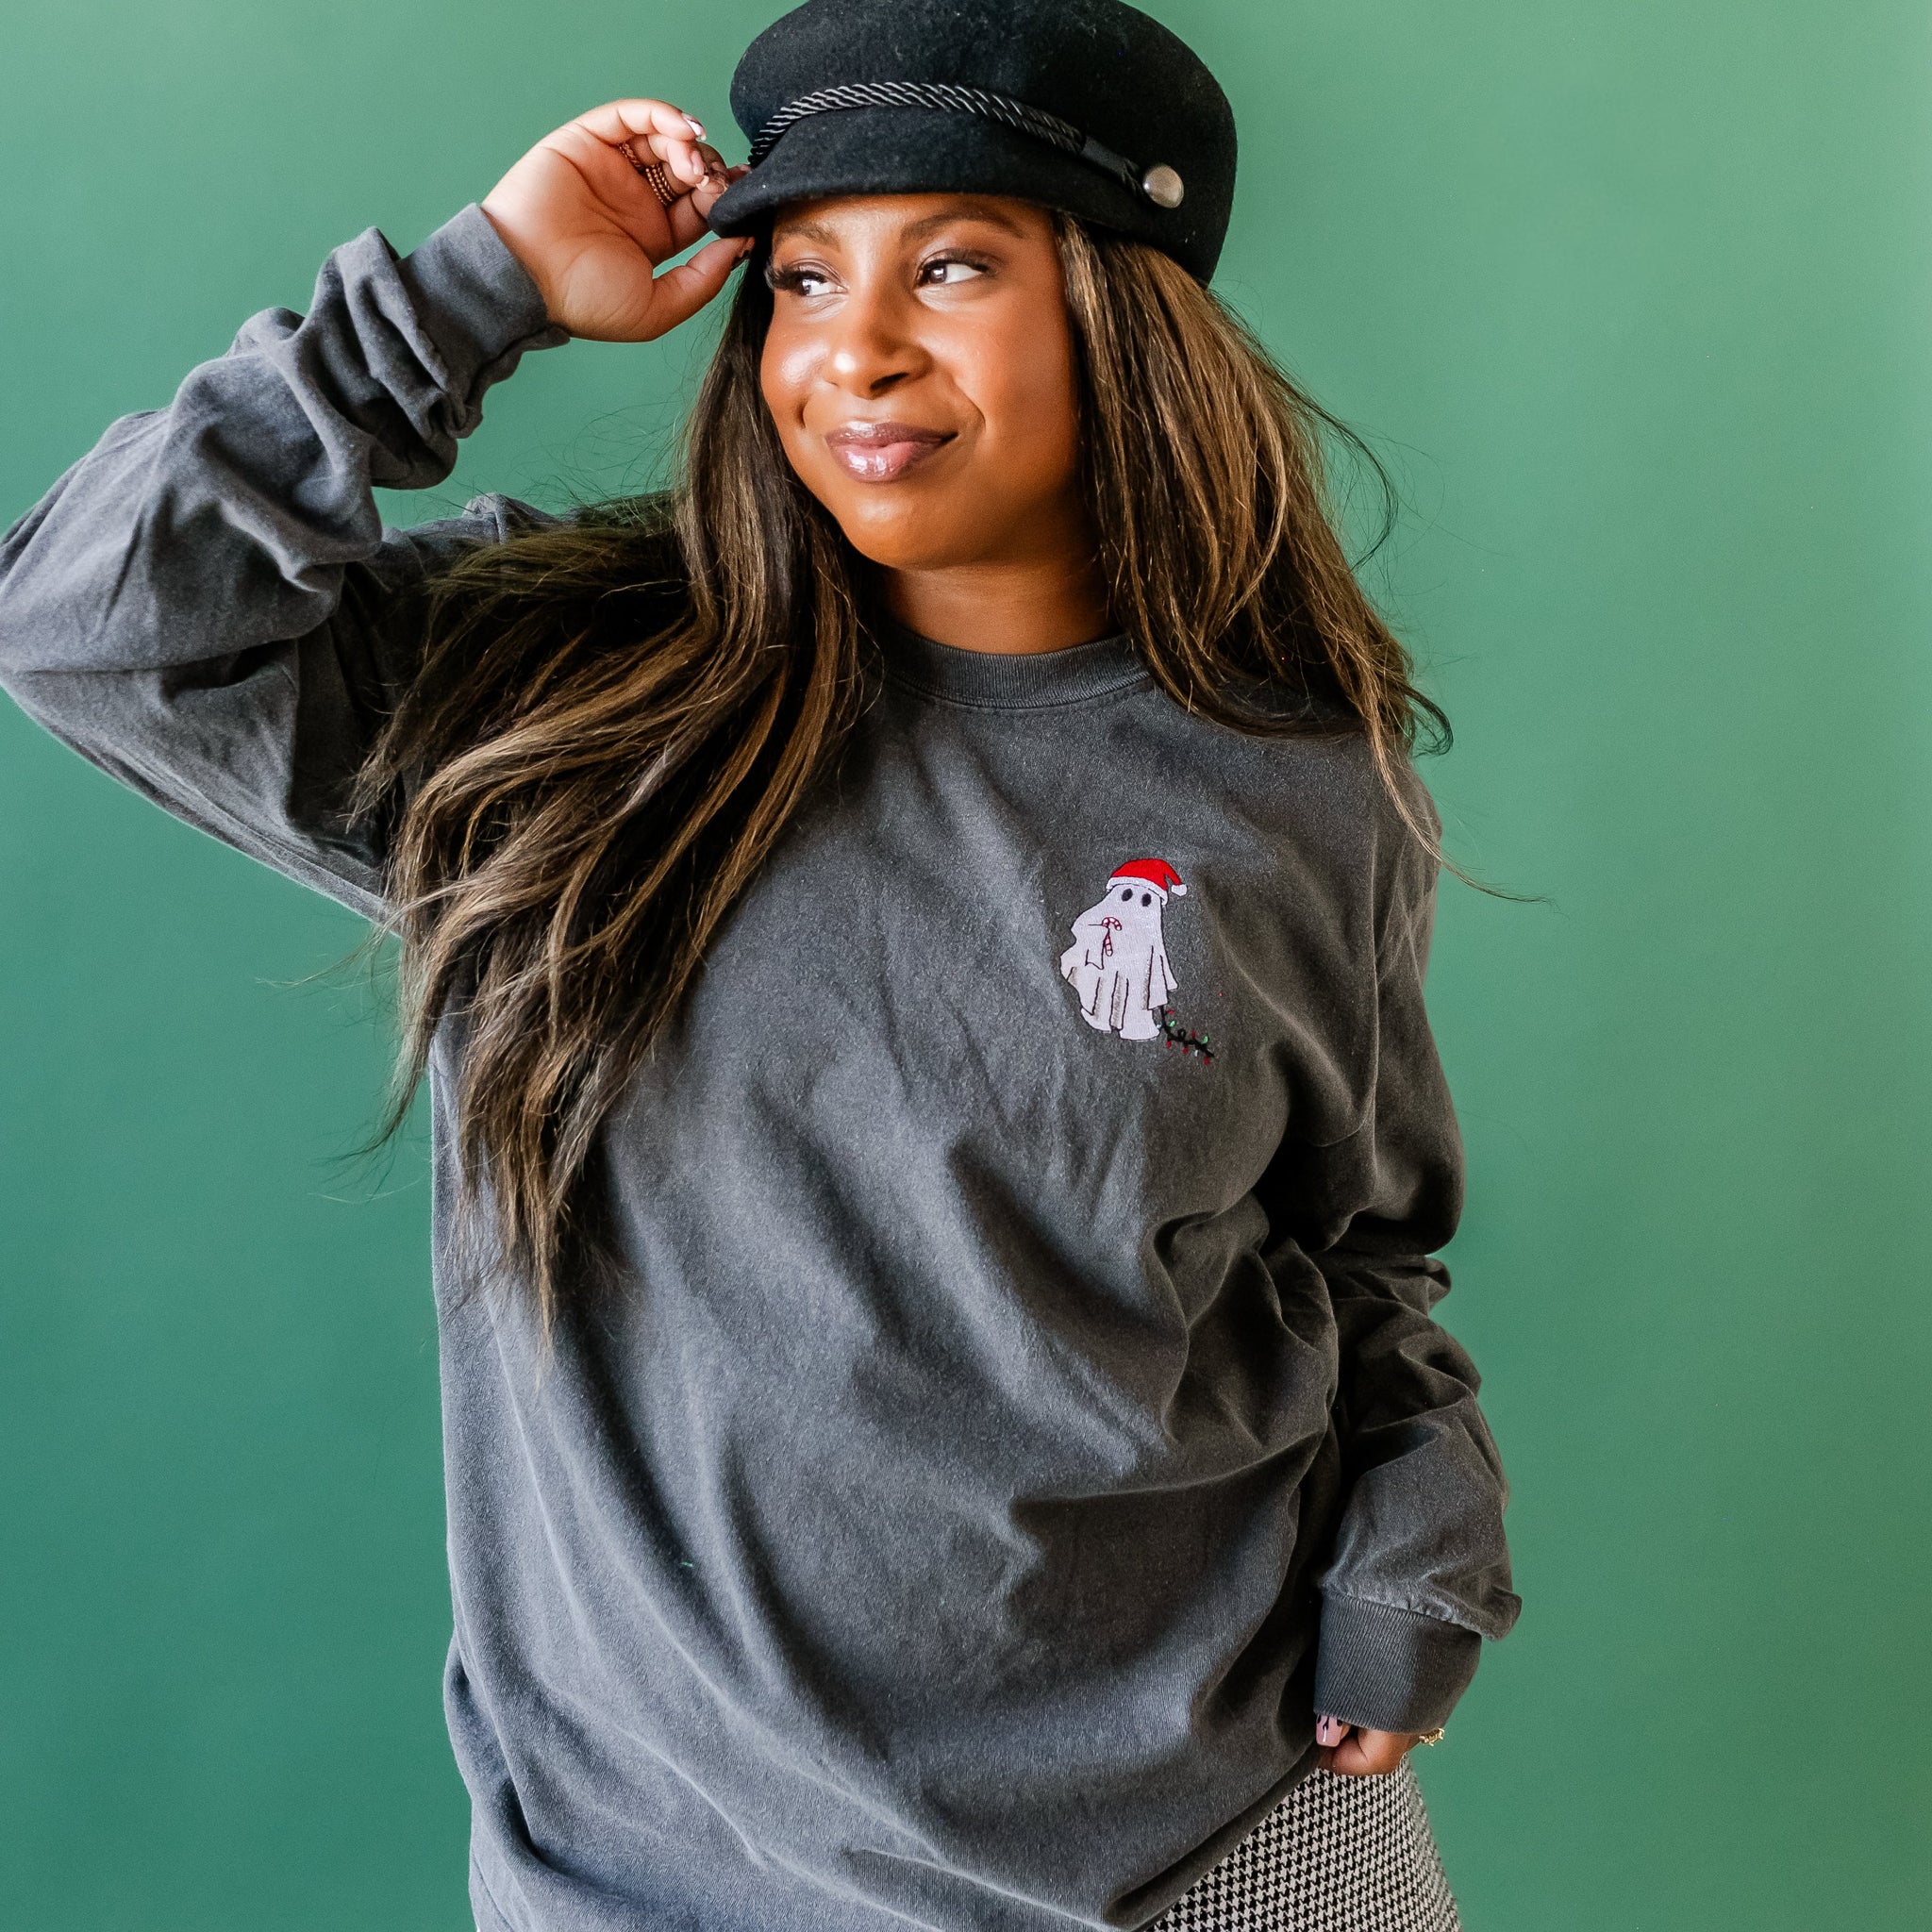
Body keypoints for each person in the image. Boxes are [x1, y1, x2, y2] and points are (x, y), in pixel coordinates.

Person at [0, 0, 1521, 1925]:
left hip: (1209, 1848)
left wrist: (1414, 1547)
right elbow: (88, 624)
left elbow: (1355, 1242)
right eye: (800, 279)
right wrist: (470, 291)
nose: (855, 347)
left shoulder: (1295, 784)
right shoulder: (564, 704)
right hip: (655, 1876)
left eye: (950, 267)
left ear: (1123, 316)